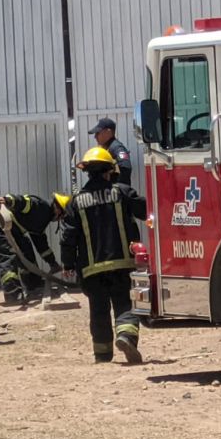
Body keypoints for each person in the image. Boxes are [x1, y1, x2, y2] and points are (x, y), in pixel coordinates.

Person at [60, 147, 147, 364]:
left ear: (87, 172)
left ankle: (102, 354)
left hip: (91, 270)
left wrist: (68, 263)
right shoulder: (122, 192)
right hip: (122, 265)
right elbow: (146, 210)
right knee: (125, 304)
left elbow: (68, 236)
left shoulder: (75, 201)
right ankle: (126, 336)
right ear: (109, 170)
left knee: (98, 310)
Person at [0, 193, 68, 304]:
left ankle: (33, 283)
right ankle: (12, 293)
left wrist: (52, 263)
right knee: (8, 254)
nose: (61, 218)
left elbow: (41, 244)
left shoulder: (43, 218)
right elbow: (24, 201)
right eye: (63, 215)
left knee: (27, 251)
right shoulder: (40, 206)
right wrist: (9, 200)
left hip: (14, 229)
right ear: (58, 209)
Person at [88, 117, 132, 185]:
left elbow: (126, 167)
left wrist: (119, 189)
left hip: (115, 194)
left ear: (108, 132)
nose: (95, 136)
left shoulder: (116, 148)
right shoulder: (106, 149)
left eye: (98, 133)